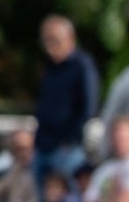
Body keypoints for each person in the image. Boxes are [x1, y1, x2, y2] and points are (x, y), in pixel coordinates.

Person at [34, 16, 100, 192]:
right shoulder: (50, 67)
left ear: (70, 38)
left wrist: (70, 139)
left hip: (67, 148)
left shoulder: (82, 66)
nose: (49, 47)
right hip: (43, 144)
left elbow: (88, 107)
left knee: (68, 199)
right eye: (46, 40)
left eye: (54, 40)